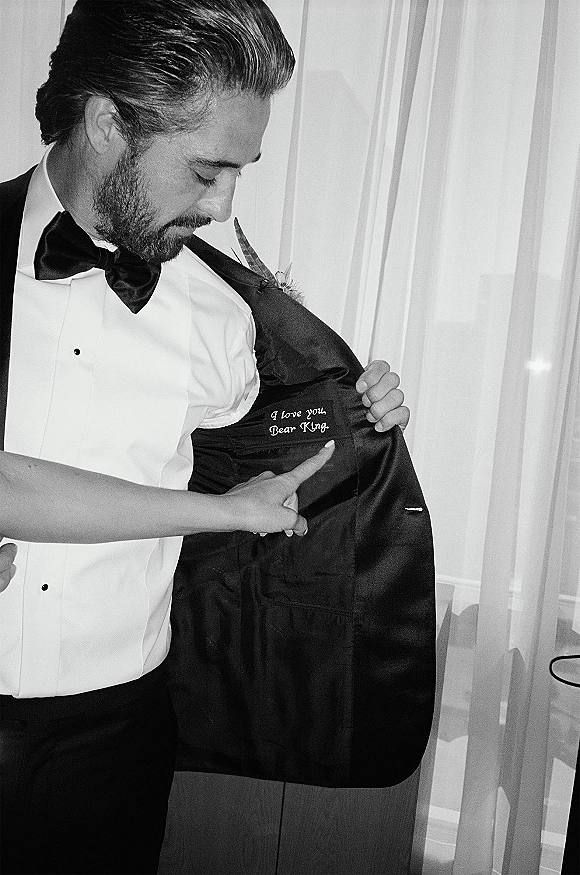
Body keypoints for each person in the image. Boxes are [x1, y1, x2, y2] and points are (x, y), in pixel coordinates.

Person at [0, 2, 410, 873]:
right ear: (109, 120)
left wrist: (360, 410)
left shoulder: (225, 316)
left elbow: (278, 446)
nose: (224, 207)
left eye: (239, 174)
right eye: (206, 170)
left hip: (116, 735)